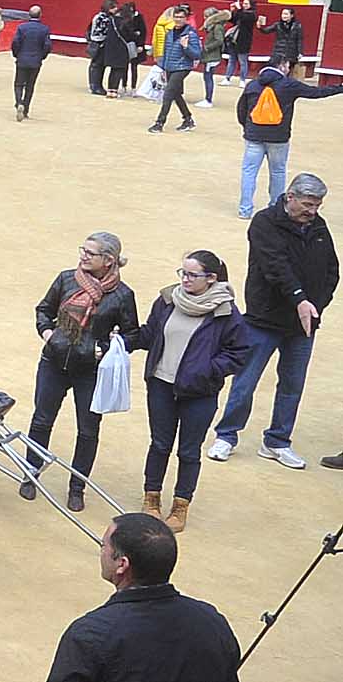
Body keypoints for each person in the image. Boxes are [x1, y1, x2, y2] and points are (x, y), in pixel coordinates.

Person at [212, 173, 335, 470]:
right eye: (308, 204)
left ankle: (277, 441)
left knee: (292, 385)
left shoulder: (318, 227)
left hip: (303, 324)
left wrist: (316, 305)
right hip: (263, 320)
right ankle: (226, 435)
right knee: (245, 381)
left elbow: (332, 270)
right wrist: (300, 300)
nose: (313, 211)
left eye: (317, 205)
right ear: (290, 197)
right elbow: (275, 267)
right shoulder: (264, 222)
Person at [24, 232, 142, 512]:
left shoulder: (123, 296)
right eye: (83, 250)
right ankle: (30, 473)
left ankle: (77, 488)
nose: (83, 256)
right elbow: (44, 309)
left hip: (91, 371)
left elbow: (133, 334)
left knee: (88, 431)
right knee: (41, 420)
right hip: (54, 361)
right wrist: (48, 334)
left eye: (90, 253)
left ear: (108, 260)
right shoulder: (66, 279)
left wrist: (104, 348)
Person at [46, 514, 241, 682]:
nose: (102, 551)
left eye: (104, 545)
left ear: (122, 564)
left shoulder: (90, 635)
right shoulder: (213, 622)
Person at [136, 250, 249, 532]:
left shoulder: (226, 311)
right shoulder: (167, 300)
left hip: (199, 392)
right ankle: (151, 500)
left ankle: (180, 507)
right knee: (159, 444)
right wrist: (121, 341)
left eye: (192, 275)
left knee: (188, 451)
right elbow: (150, 334)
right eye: (182, 273)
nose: (184, 279)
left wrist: (207, 370)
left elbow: (239, 352)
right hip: (161, 384)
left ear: (211, 278)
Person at [235, 47, 343, 218]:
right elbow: (316, 92)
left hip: (254, 135)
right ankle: (276, 209)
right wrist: (340, 88)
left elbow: (241, 109)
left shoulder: (253, 84)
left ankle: (244, 209)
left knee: (249, 171)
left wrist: (247, 129)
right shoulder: (288, 85)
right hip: (278, 137)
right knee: (277, 172)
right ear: (282, 66)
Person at [147, 5, 203, 134]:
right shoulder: (170, 33)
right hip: (170, 67)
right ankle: (188, 119)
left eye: (181, 17)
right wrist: (164, 68)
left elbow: (197, 54)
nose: (178, 19)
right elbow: (166, 51)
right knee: (176, 94)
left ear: (186, 19)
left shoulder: (191, 34)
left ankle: (160, 122)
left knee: (168, 94)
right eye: (176, 17)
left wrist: (186, 47)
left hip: (182, 67)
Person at [11, 6, 53, 121]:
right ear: (40, 15)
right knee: (30, 86)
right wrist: (42, 56)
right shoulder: (44, 29)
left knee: (18, 84)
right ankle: (25, 109)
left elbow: (15, 42)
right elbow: (47, 46)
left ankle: (19, 102)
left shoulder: (22, 27)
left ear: (29, 15)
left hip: (22, 58)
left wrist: (17, 54)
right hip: (35, 60)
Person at [87, 0, 124, 97]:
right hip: (100, 44)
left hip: (99, 43)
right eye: (114, 7)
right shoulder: (104, 18)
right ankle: (95, 86)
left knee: (98, 65)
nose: (116, 9)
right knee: (98, 65)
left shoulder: (102, 17)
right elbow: (103, 32)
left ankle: (96, 86)